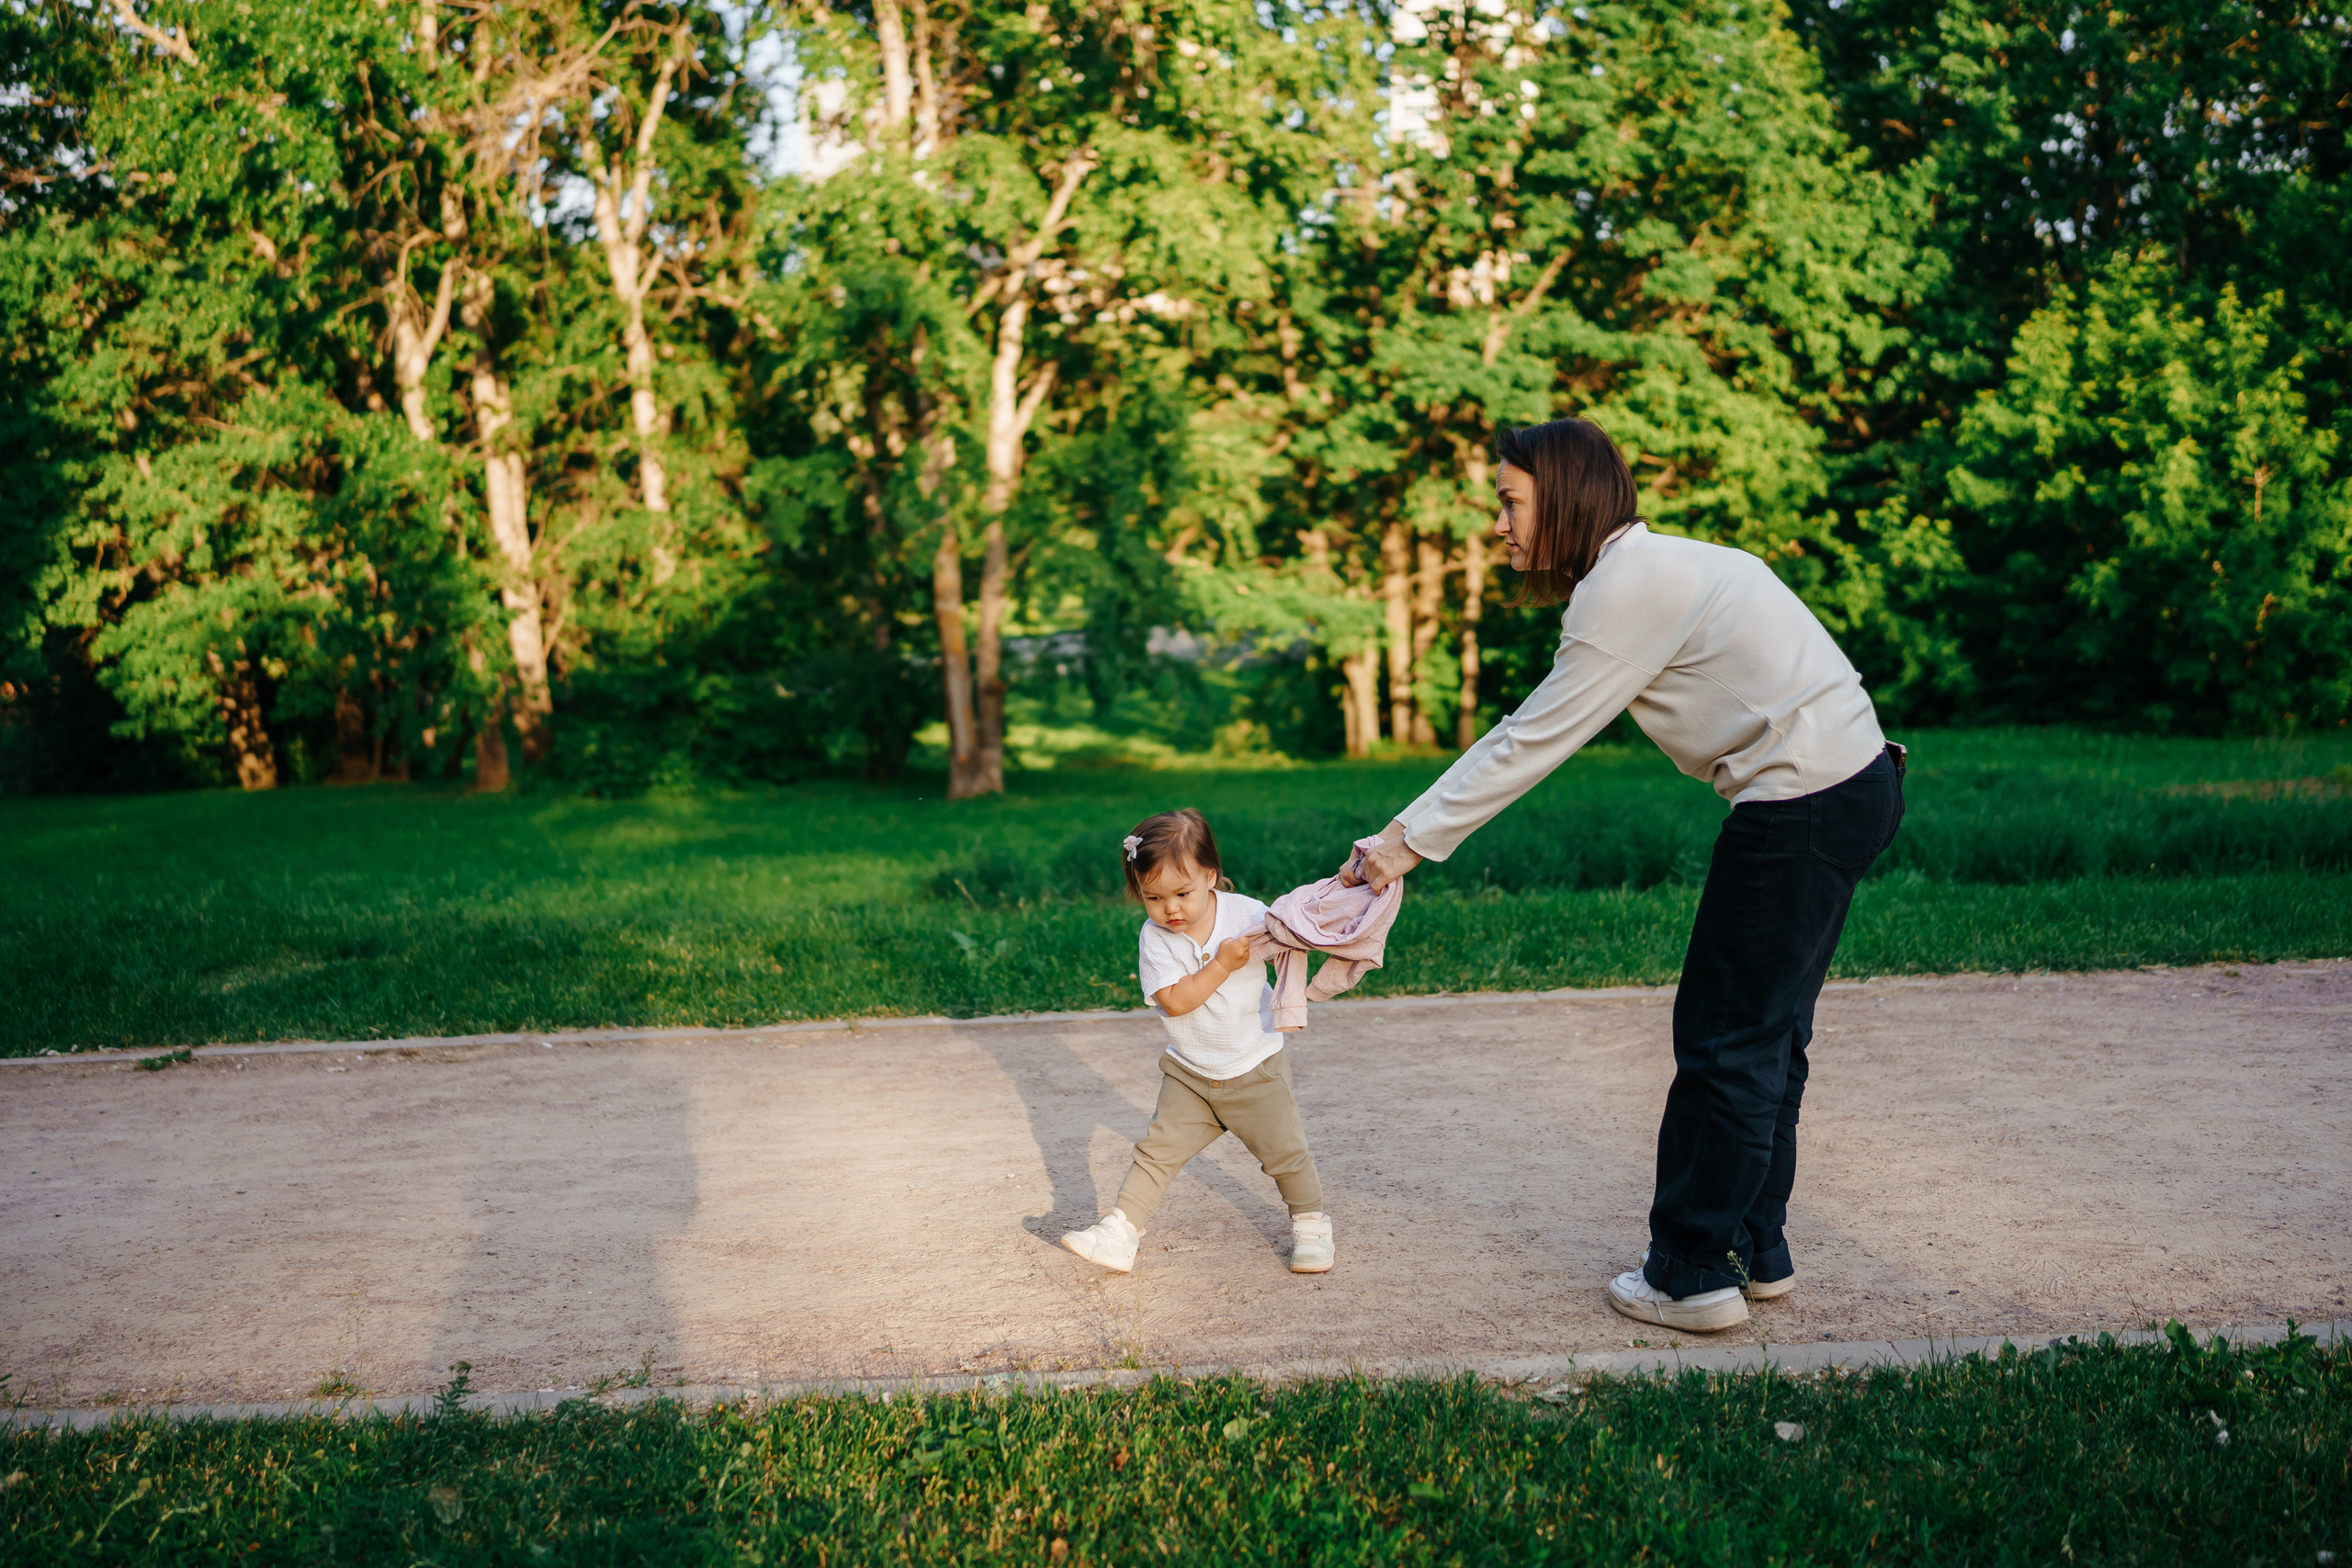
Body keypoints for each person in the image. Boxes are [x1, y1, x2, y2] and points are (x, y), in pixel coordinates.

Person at [1342, 417, 1905, 1333]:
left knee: (1725, 1039)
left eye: (1509, 500)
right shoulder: (1666, 565)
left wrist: (1401, 841)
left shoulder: (1623, 588)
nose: (1498, 523)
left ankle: (1690, 1274)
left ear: (1562, 496)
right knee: (1763, 1033)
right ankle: (1755, 1246)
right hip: (1851, 787)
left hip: (1801, 804)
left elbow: (1531, 737)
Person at [1059, 808, 1336, 1277]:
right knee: (1155, 1153)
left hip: (1254, 1066)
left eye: (1183, 893)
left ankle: (1311, 1225)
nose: (1171, 909)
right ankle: (1120, 1232)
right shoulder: (1156, 938)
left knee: (1285, 1154)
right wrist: (1222, 965)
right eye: (1154, 897)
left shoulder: (1247, 913)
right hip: (1190, 1072)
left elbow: (1296, 932)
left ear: (1211, 877)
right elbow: (1175, 1001)